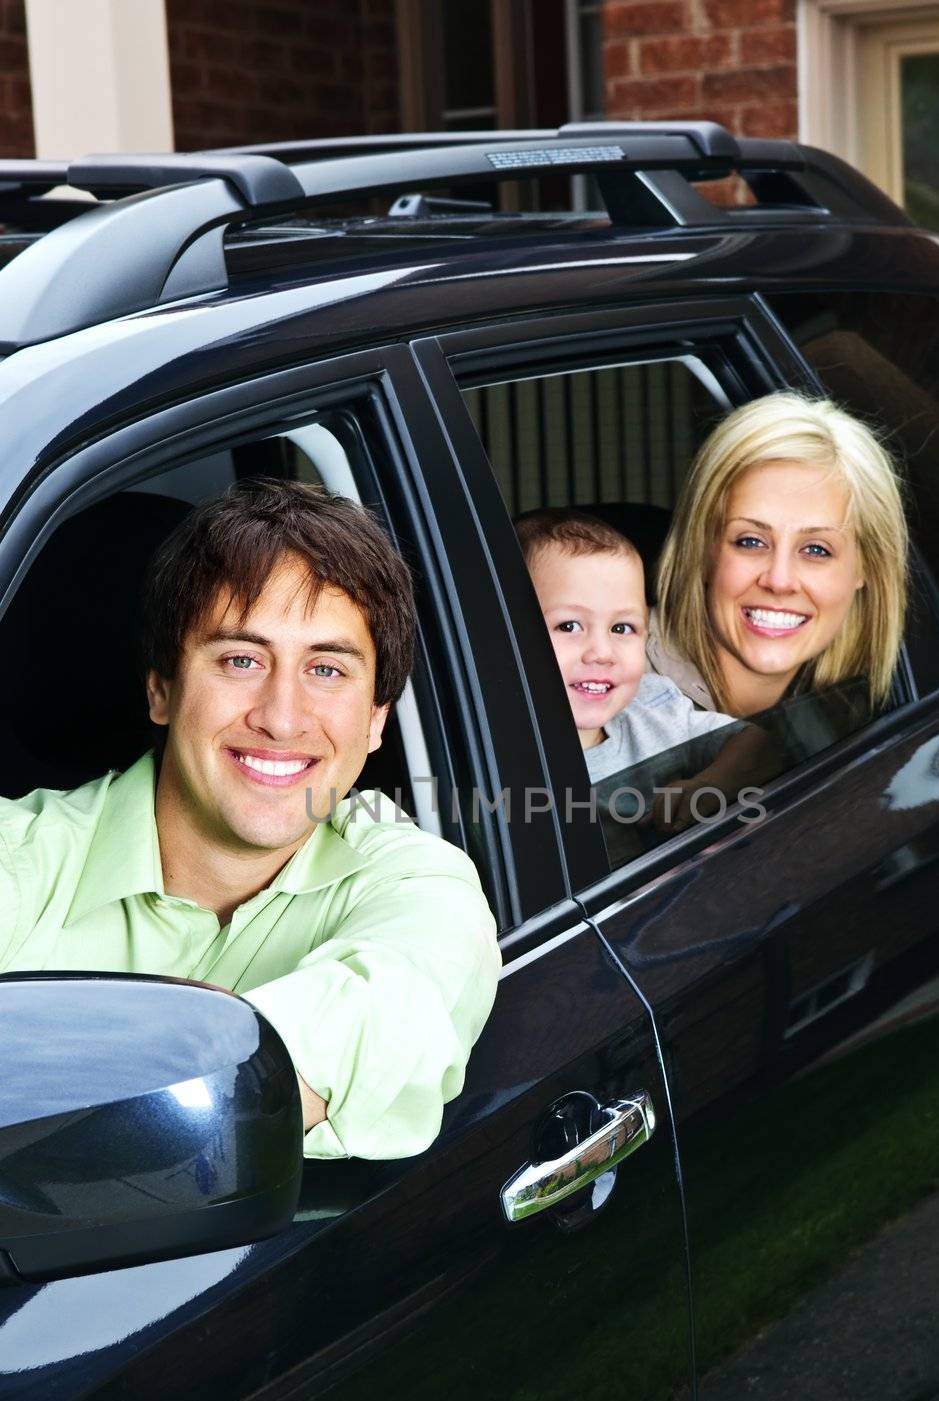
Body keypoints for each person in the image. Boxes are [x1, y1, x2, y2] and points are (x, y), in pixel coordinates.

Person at [0, 479, 500, 1161]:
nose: (282, 717)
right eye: (241, 660)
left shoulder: (421, 889)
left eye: (326, 670)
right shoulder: (19, 853)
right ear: (162, 688)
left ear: (376, 721)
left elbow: (243, 1094)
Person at [651, 392, 909, 718]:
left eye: (816, 549)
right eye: (751, 542)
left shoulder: (855, 713)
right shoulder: (601, 694)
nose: (779, 580)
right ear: (702, 551)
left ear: (866, 567)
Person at [516, 509, 734, 783]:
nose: (603, 653)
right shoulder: (481, 752)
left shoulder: (655, 710)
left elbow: (755, 744)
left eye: (622, 628)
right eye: (569, 626)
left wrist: (706, 785)